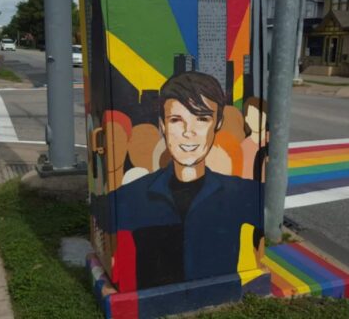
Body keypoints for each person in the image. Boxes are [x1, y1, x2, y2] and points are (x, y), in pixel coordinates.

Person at [93, 71, 264, 292]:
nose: (188, 132)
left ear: (218, 123)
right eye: (176, 120)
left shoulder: (243, 192)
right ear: (162, 125)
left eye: (202, 119)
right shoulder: (130, 196)